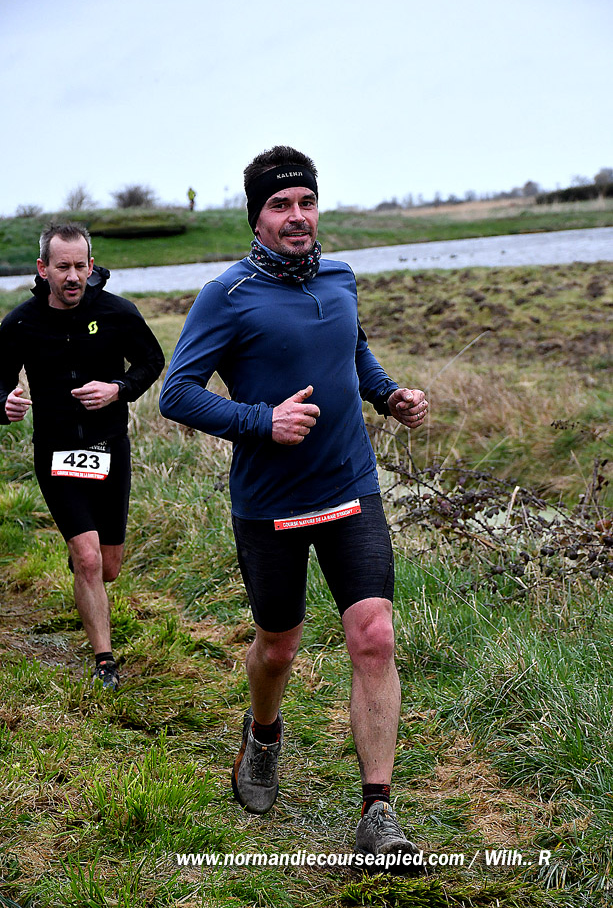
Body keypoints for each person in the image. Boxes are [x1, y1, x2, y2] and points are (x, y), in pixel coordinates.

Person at [159, 146, 429, 868]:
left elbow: (353, 351)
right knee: (278, 645)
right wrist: (261, 421)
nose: (297, 216)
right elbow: (176, 393)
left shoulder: (340, 278)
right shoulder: (226, 295)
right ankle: (263, 734)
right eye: (281, 205)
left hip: (349, 486)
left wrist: (388, 394)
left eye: (306, 201)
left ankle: (378, 810)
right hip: (270, 503)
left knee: (373, 634)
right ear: (256, 217)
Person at [0, 223, 165, 690]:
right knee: (89, 558)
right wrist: (4, 403)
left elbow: (152, 361)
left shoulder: (117, 312)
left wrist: (118, 389)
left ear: (91, 266)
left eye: (79, 266)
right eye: (62, 267)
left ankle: (84, 561)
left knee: (107, 566)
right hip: (55, 452)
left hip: (109, 448)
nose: (72, 276)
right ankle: (105, 662)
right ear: (43, 269)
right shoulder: (20, 323)